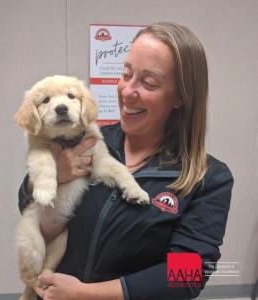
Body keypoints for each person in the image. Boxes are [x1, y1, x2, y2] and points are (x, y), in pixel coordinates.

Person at [18, 22, 234, 300]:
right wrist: (50, 178)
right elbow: (31, 207)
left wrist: (85, 294)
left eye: (149, 83)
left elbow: (187, 275)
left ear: (180, 97)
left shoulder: (209, 178)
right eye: (126, 74)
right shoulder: (87, 141)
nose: (126, 91)